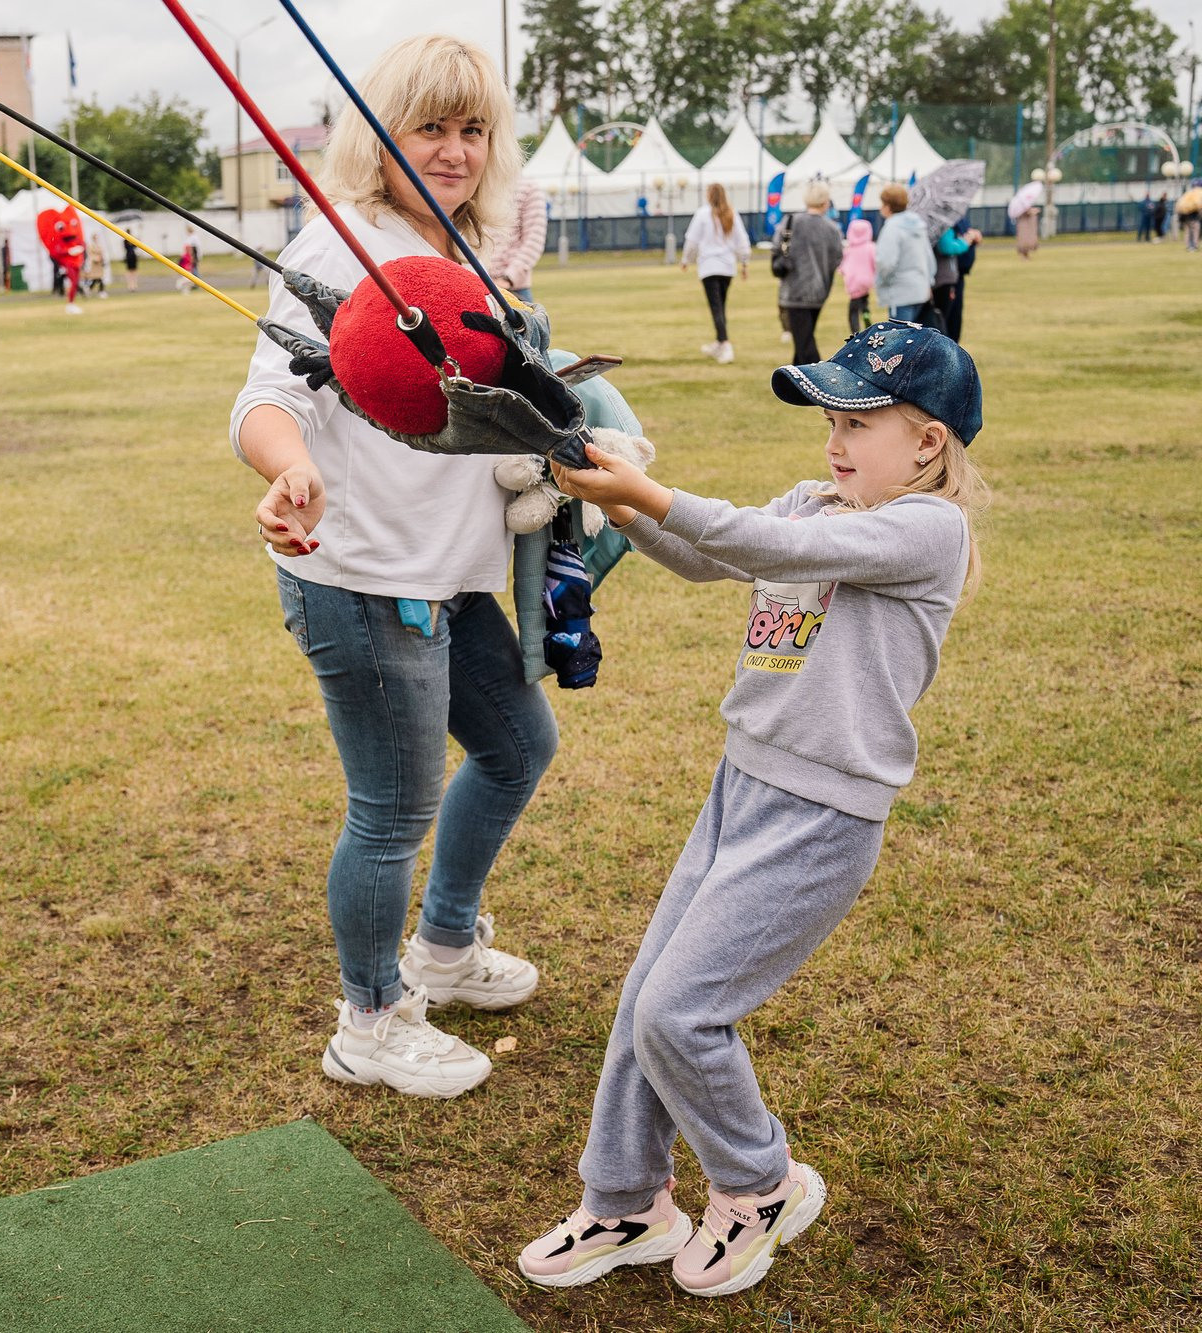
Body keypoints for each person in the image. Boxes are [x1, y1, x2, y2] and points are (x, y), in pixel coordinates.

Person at [522, 321, 988, 1298]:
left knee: (680, 1011)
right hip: (740, 788)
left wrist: (644, 490)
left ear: (926, 441)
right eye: (828, 418)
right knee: (641, 1005)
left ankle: (758, 1185)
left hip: (820, 817)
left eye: (856, 422)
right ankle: (624, 1199)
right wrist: (601, 486)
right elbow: (711, 555)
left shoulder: (924, 529)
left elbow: (764, 540)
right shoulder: (819, 500)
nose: (832, 439)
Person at [231, 33, 548, 1100]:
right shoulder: (338, 248)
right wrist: (287, 474)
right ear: (380, 137)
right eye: (429, 127)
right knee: (391, 808)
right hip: (361, 577)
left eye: (471, 130)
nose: (453, 151)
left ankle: (444, 950)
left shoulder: (467, 249)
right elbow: (265, 399)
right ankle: (368, 1016)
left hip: (451, 575)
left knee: (515, 747)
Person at [774, 181, 843, 366]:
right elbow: (837, 259)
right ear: (825, 202)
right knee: (803, 340)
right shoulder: (832, 229)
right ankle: (795, 386)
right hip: (819, 291)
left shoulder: (790, 223)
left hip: (793, 291)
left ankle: (820, 382)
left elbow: (776, 248)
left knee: (804, 344)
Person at [682, 182, 750, 364]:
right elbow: (742, 240)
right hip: (727, 268)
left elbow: (692, 241)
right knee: (721, 305)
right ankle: (720, 341)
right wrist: (744, 261)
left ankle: (726, 344)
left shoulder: (703, 214)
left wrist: (685, 260)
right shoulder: (731, 213)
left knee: (716, 307)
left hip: (709, 267)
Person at [873, 183, 933, 324]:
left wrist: (883, 281)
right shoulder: (918, 225)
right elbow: (928, 258)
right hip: (920, 290)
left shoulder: (892, 228)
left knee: (901, 341)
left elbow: (886, 262)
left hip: (900, 292)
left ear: (887, 206)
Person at [483, 175, 548, 304]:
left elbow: (534, 241)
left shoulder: (528, 187)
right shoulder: (476, 184)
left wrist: (508, 279)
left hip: (512, 289)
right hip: (476, 286)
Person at [929, 217, 980, 345]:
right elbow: (946, 246)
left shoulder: (952, 218)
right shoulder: (941, 221)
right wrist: (966, 241)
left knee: (951, 321)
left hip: (952, 277)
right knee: (944, 322)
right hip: (944, 279)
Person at [839, 218, 876, 335]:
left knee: (853, 309)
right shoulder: (871, 247)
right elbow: (875, 262)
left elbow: (842, 265)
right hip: (866, 280)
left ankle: (855, 331)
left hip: (853, 281)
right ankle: (866, 319)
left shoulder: (849, 249)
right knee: (864, 301)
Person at [1177, 182, 1202, 251]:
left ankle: (1188, 246)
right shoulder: (1199, 192)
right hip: (1193, 215)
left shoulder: (1188, 193)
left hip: (1185, 215)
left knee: (1187, 231)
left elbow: (1179, 204)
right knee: (1195, 230)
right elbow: (1199, 204)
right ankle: (1194, 246)